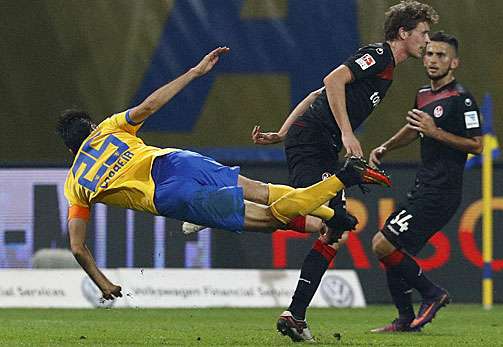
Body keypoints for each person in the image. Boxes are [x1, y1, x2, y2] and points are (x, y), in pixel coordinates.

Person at [57, 47, 392, 301]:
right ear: (91, 126)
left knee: (272, 219)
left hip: (170, 196)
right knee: (264, 191)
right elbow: (148, 107)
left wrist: (105, 284)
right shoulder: (108, 129)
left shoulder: (75, 184)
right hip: (176, 161)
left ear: (72, 151)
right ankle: (332, 213)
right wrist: (194, 72)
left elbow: (77, 247)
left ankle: (340, 183)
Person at [252, 1, 439, 342]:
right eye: (423, 33)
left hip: (317, 144)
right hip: (314, 141)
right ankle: (232, 204)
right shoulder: (380, 55)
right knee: (327, 222)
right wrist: (347, 133)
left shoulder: (388, 71)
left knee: (332, 228)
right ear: (403, 32)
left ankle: (294, 314)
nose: (427, 41)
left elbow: (315, 93)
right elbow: (332, 80)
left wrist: (282, 131)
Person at [368, 31, 483, 332]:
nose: (433, 60)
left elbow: (477, 145)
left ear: (454, 62)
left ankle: (432, 293)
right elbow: (414, 126)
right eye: (430, 54)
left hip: (442, 190)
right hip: (424, 185)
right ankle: (405, 320)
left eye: (441, 55)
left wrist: (436, 133)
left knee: (382, 243)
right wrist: (386, 147)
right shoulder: (423, 94)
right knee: (393, 253)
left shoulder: (463, 99)